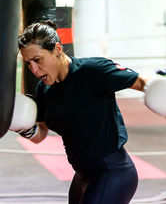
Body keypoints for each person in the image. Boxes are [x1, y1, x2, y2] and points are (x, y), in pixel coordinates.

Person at [17, 20, 147, 204]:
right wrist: (20, 126)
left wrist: (163, 84)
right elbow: (41, 135)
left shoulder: (93, 71)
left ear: (58, 49)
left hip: (113, 172)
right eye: (28, 63)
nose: (34, 70)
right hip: (81, 176)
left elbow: (142, 82)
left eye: (38, 60)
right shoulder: (43, 90)